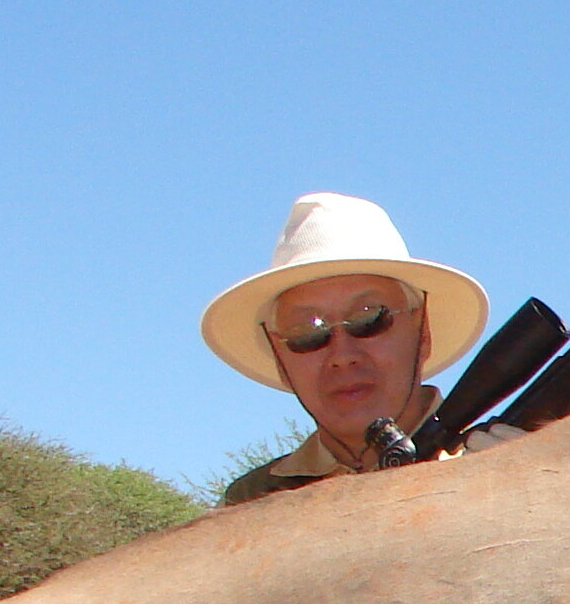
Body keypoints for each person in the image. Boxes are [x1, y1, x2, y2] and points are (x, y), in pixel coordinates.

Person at [204, 192, 508, 505]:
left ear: (423, 332)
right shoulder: (248, 501)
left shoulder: (512, 459)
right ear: (279, 358)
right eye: (307, 332)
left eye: (370, 318)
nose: (342, 356)